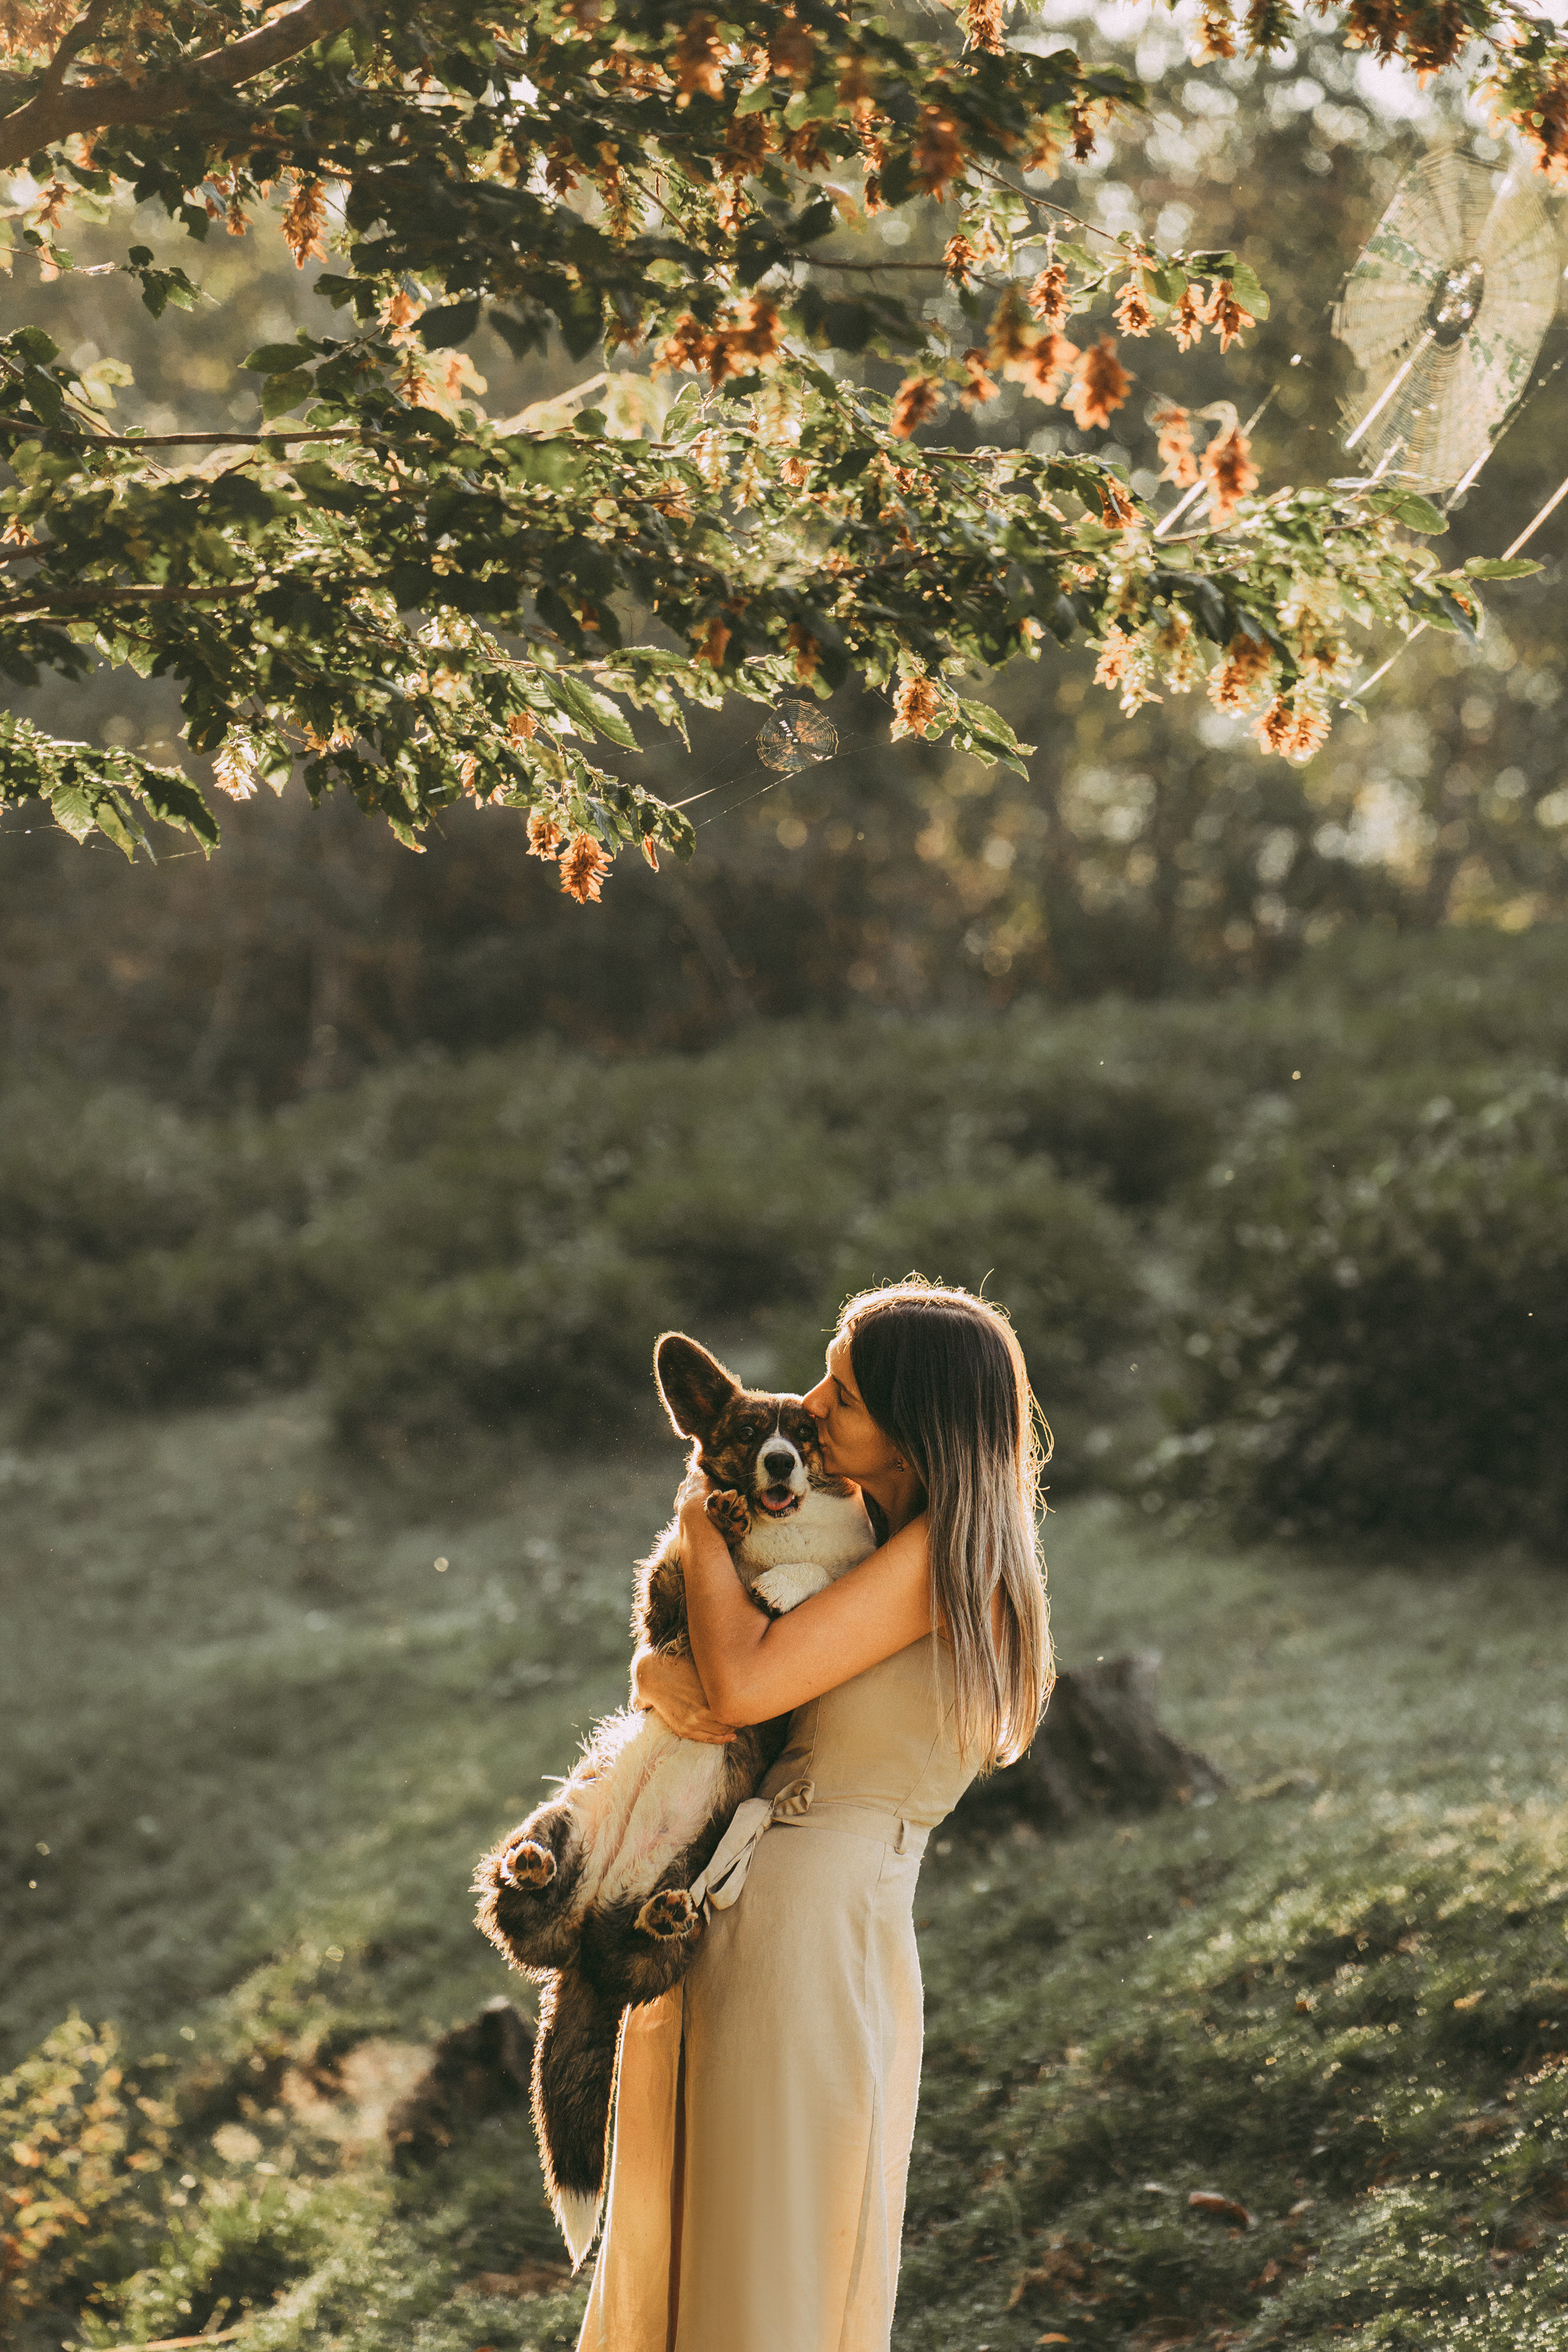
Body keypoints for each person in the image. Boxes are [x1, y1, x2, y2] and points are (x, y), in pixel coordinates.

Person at [575, 1278, 1054, 2352]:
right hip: (779, 1912)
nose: (815, 1403)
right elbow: (695, 1683)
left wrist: (701, 1521)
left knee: (770, 2259)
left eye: (844, 1393)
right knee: (744, 2248)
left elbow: (741, 1687)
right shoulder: (882, 1537)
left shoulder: (935, 1559)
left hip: (806, 1931)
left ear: (914, 1424)